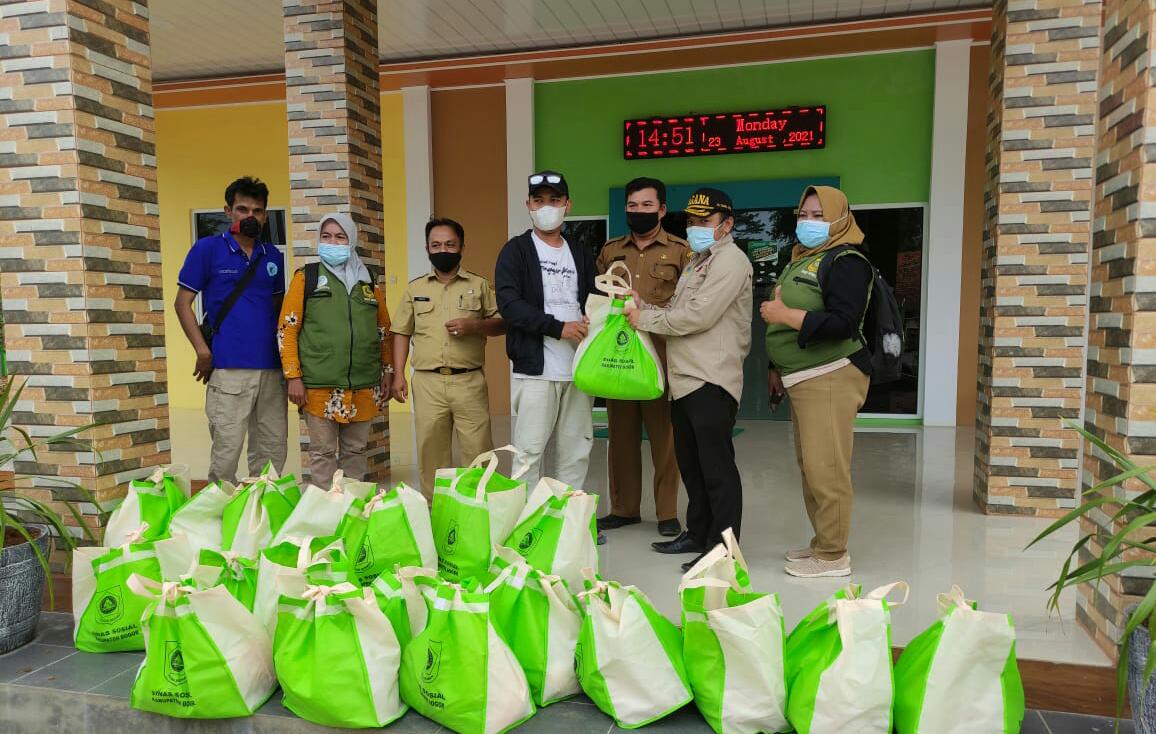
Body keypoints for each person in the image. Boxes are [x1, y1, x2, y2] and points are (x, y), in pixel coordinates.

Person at [625, 188, 752, 571]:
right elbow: (676, 309)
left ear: (726, 224)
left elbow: (698, 316)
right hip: (683, 380)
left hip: (711, 378)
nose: (696, 228)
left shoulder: (731, 262)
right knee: (692, 465)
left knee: (717, 468)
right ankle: (698, 533)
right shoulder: (699, 261)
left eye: (705, 221)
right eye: (692, 221)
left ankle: (722, 548)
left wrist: (643, 320)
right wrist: (641, 304)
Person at [761, 185, 872, 578]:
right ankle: (821, 543)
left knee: (827, 470)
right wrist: (775, 367)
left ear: (840, 219)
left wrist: (784, 315)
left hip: (831, 374)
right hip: (802, 377)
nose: (807, 222)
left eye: (818, 216)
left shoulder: (847, 261)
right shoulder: (805, 258)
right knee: (811, 467)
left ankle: (833, 555)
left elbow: (843, 322)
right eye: (803, 215)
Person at [174, 176, 287, 485]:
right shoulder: (207, 249)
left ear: (265, 215)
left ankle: (261, 520)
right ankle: (223, 522)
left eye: (258, 211)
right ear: (228, 211)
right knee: (226, 456)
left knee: (271, 456)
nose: (250, 217)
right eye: (243, 209)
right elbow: (182, 303)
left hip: (272, 372)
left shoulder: (273, 257)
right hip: (228, 371)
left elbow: (279, 314)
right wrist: (202, 350)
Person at [596, 177, 690, 539]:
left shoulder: (681, 252)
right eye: (632, 206)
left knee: (665, 439)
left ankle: (667, 512)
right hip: (617, 357)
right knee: (620, 438)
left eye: (646, 205)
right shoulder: (610, 251)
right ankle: (624, 509)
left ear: (662, 210)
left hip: (660, 357)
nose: (638, 212)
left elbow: (686, 305)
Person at [496, 170, 598, 491]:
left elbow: (596, 299)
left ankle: (566, 518)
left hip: (579, 369)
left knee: (575, 451)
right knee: (528, 453)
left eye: (554, 200)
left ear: (567, 205)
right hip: (536, 370)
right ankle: (525, 524)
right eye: (539, 201)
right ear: (528, 204)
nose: (546, 207)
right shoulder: (516, 251)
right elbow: (509, 305)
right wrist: (558, 328)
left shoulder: (580, 253)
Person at [391, 217, 506, 499]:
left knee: (477, 449)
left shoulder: (479, 285)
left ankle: (476, 507)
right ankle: (435, 509)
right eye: (436, 245)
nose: (443, 249)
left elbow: (502, 323)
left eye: (449, 244)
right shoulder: (414, 289)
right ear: (427, 249)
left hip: (469, 380)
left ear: (462, 247)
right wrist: (397, 375)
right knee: (431, 451)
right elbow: (401, 332)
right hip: (428, 382)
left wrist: (475, 326)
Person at [277, 213, 392, 487]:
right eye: (326, 236)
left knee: (355, 452)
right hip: (320, 387)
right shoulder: (307, 277)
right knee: (323, 453)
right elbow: (287, 329)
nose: (332, 242)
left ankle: (350, 512)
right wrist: (293, 376)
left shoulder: (368, 282)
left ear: (351, 241)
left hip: (363, 386)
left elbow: (383, 331)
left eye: (340, 237)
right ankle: (323, 516)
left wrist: (387, 371)